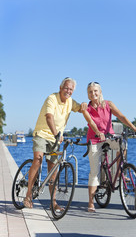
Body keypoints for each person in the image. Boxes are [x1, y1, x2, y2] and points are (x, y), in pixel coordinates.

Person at [24, 77, 86, 209]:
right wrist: (56, 133)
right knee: (38, 159)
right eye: (66, 88)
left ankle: (53, 202)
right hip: (42, 134)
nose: (68, 91)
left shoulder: (70, 102)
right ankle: (28, 194)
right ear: (60, 88)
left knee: (53, 170)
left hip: (55, 139)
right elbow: (49, 117)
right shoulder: (52, 98)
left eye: (71, 89)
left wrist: (85, 105)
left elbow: (80, 109)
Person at [82, 82, 136, 212]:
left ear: (100, 91)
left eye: (95, 91)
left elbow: (121, 116)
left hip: (109, 136)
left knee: (123, 146)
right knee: (94, 172)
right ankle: (91, 202)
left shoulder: (108, 104)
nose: (93, 94)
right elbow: (91, 123)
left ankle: (120, 172)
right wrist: (98, 133)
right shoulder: (86, 108)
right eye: (90, 92)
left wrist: (135, 128)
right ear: (88, 94)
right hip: (94, 139)